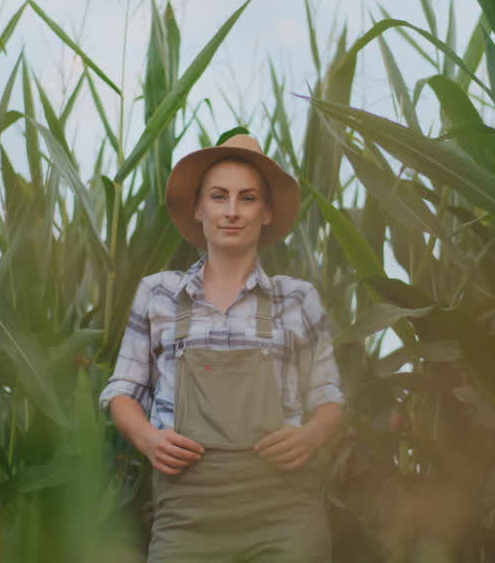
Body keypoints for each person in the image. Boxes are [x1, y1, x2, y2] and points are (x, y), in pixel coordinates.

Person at [99, 134, 345, 562]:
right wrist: (148, 439)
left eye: (247, 198)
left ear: (266, 212)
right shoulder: (158, 294)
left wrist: (311, 435)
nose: (232, 211)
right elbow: (122, 390)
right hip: (186, 516)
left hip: (285, 514)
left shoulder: (297, 298)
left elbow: (329, 399)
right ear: (199, 208)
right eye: (219, 196)